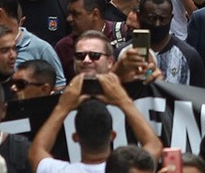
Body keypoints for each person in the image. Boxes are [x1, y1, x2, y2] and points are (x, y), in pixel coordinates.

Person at [28, 73, 163, 172]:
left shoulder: (59, 171)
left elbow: (36, 152)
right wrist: (124, 101)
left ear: (75, 137)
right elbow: (154, 145)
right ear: (112, 135)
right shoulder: (129, 170)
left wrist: (62, 107)